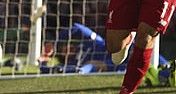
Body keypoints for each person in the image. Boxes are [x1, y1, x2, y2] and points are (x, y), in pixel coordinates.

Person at [38, 22, 168, 74]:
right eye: (64, 51)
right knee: (95, 65)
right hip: (112, 65)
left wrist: (54, 43)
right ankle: (82, 71)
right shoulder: (74, 63)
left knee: (140, 47)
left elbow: (76, 28)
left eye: (66, 46)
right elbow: (57, 70)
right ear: (64, 58)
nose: (68, 48)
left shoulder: (89, 42)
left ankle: (166, 66)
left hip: (124, 49)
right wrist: (42, 63)